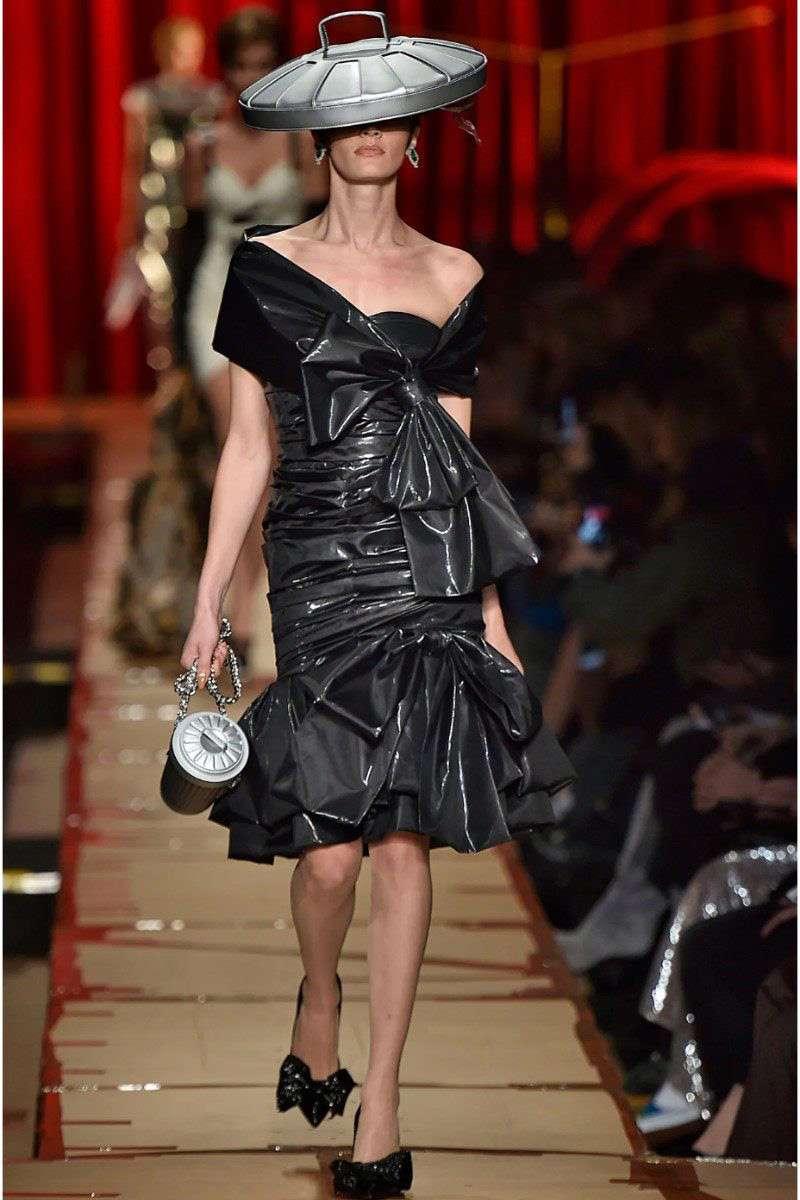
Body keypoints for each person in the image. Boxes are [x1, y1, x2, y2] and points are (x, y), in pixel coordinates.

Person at [179, 13, 575, 1197]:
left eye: (390, 115)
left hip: (422, 569)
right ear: (319, 133)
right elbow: (246, 447)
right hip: (316, 565)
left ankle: (383, 1109)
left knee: (402, 839)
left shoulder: (456, 275)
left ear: (416, 136)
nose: (370, 131)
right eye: (350, 115)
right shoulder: (264, 269)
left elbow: (458, 458)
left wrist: (487, 614)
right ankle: (320, 991)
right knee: (331, 857)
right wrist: (210, 599)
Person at [184, 6, 324, 662]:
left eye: (263, 65)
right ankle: (241, 605)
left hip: (284, 300)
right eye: (240, 66)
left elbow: (327, 226)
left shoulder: (303, 141)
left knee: (277, 449)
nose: (250, 77)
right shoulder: (203, 144)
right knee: (238, 445)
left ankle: (271, 601)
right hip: (216, 295)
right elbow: (188, 237)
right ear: (225, 71)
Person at [106, 16, 226, 375]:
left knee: (202, 289)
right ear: (161, 52)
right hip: (157, 210)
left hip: (202, 209)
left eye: (192, 50)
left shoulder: (213, 97)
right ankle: (169, 378)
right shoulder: (143, 99)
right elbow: (134, 160)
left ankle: (200, 377)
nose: (185, 58)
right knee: (160, 295)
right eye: (177, 50)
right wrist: (129, 217)